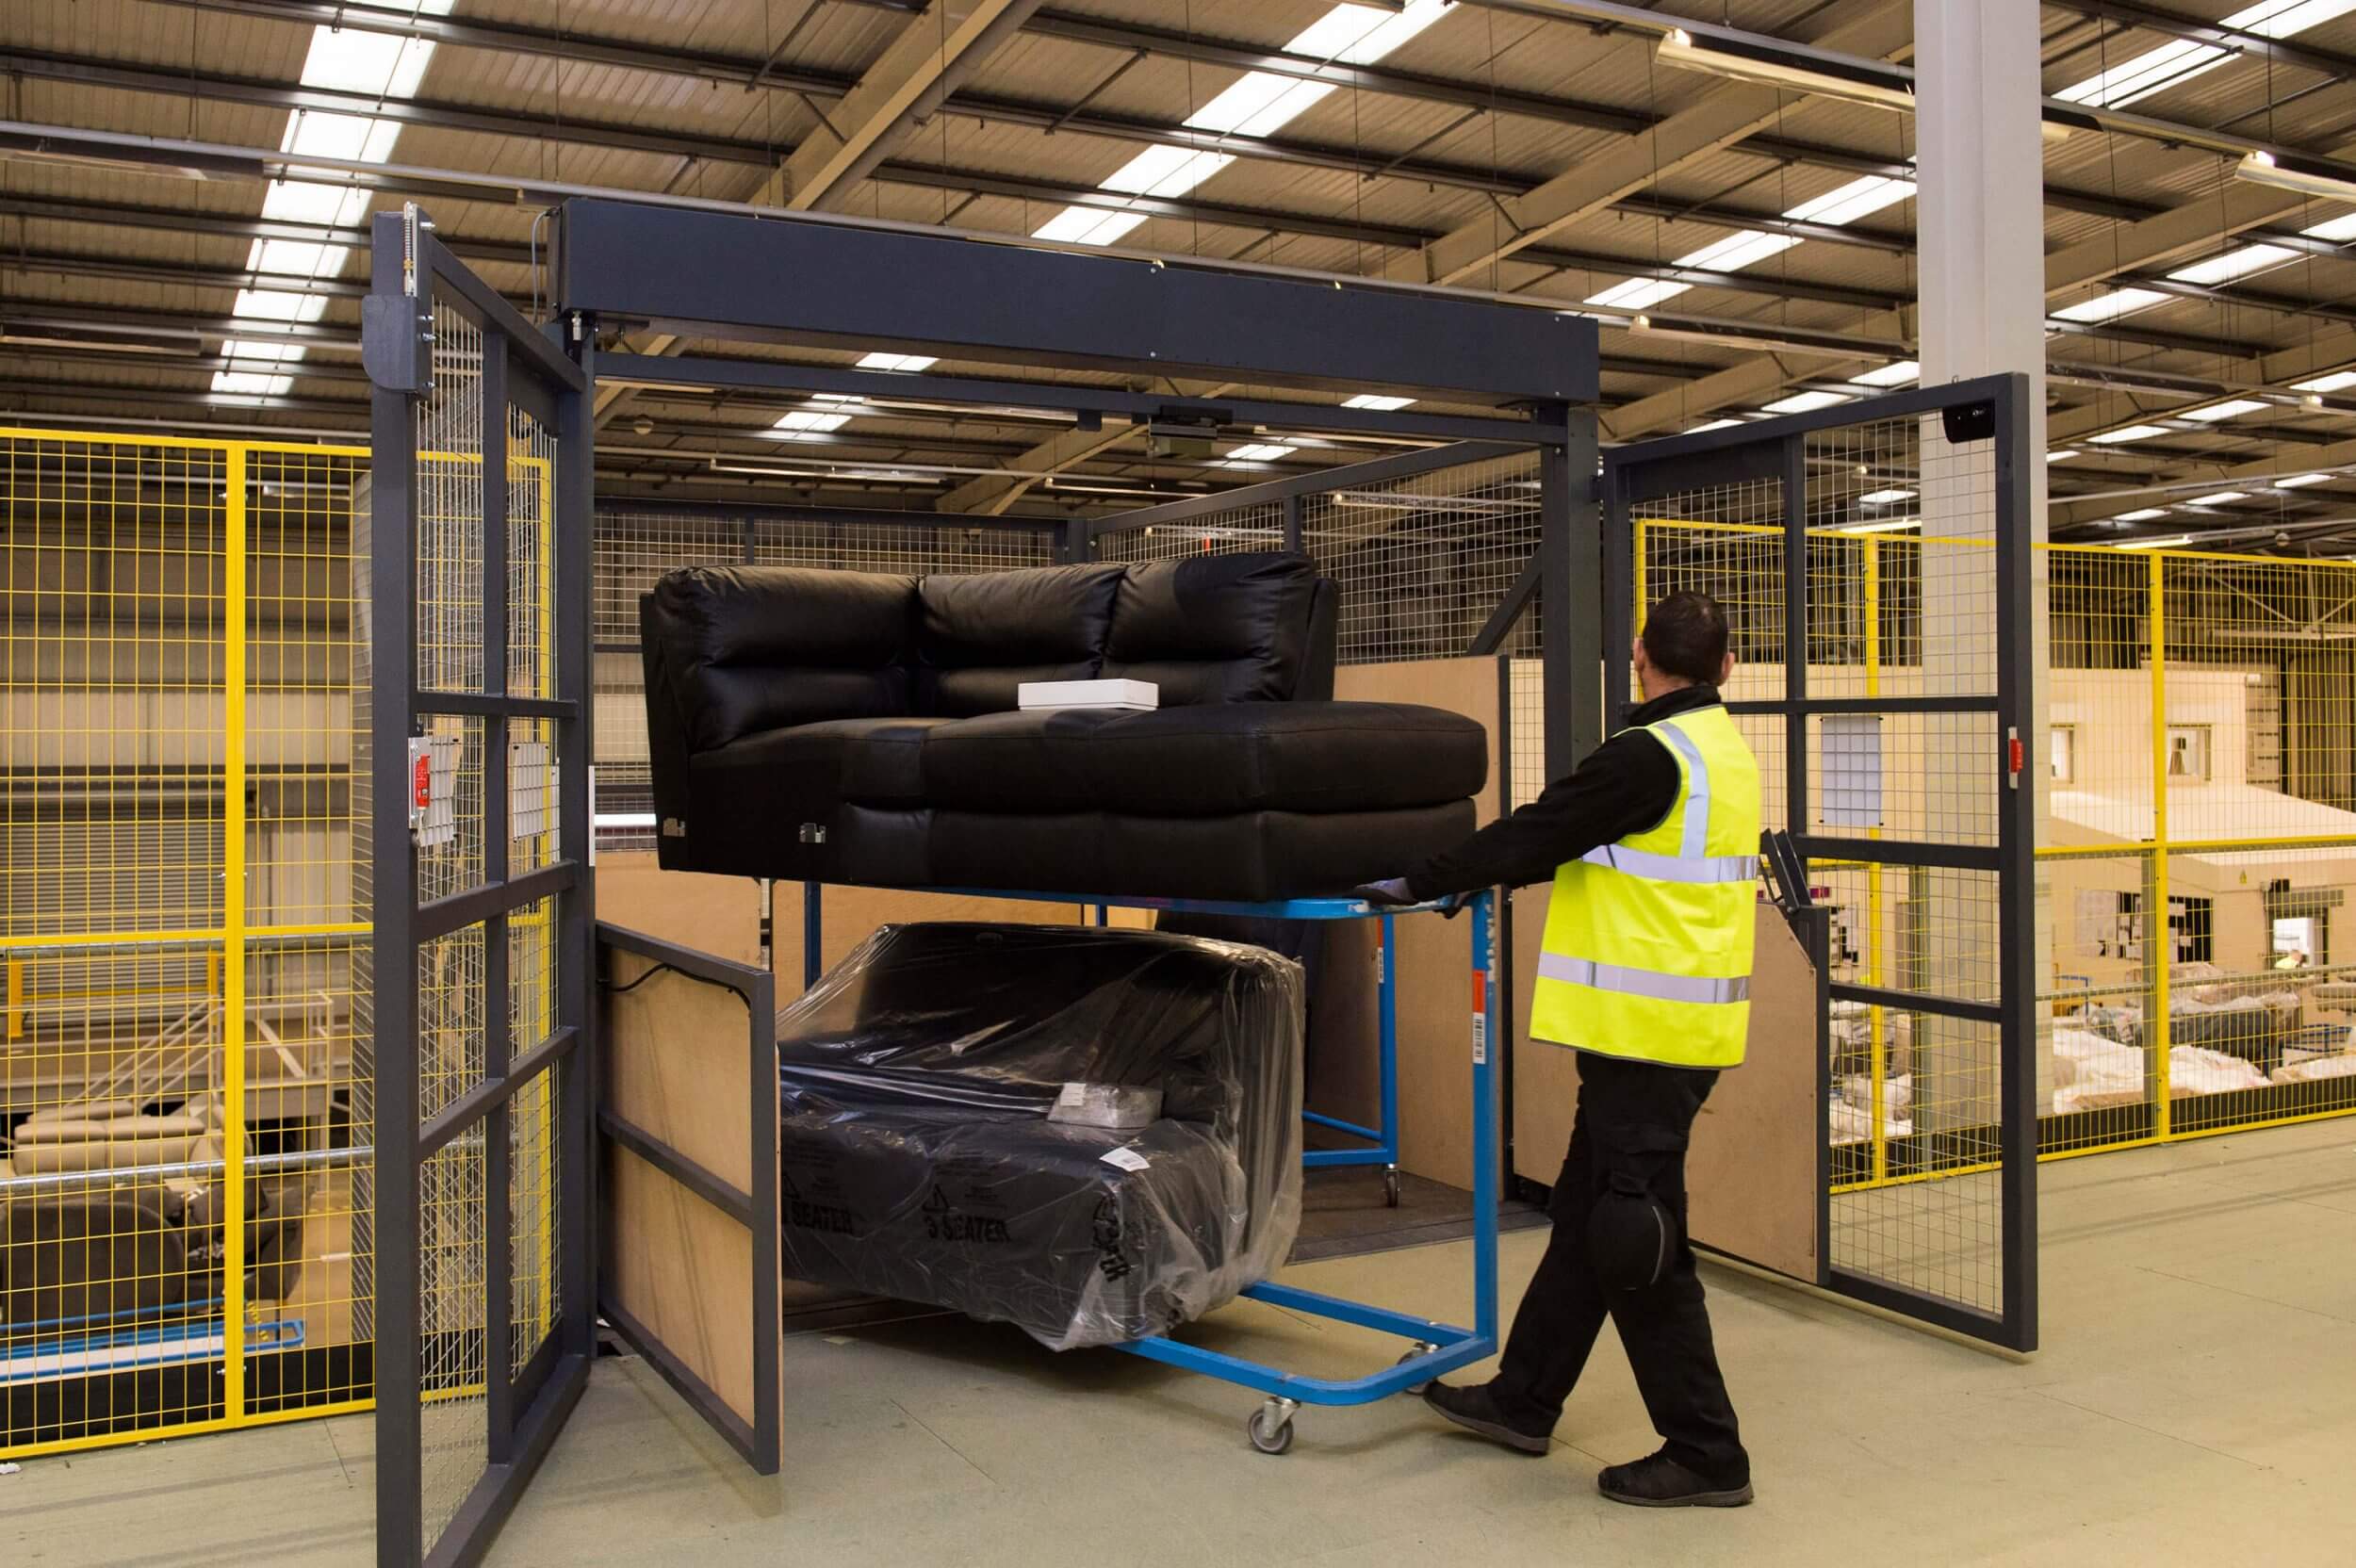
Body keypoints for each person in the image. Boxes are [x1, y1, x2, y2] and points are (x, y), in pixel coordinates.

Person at [1355, 589, 1759, 1510]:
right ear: (1727, 666)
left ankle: (1707, 1450)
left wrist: (1425, 877)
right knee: (1586, 1216)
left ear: (1637, 654)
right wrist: (1480, 878)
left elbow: (1546, 825)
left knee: (1634, 1237)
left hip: (1643, 1039)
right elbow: (1593, 846)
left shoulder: (1645, 756)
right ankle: (1524, 1398)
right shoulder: (1723, 753)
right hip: (1677, 1033)